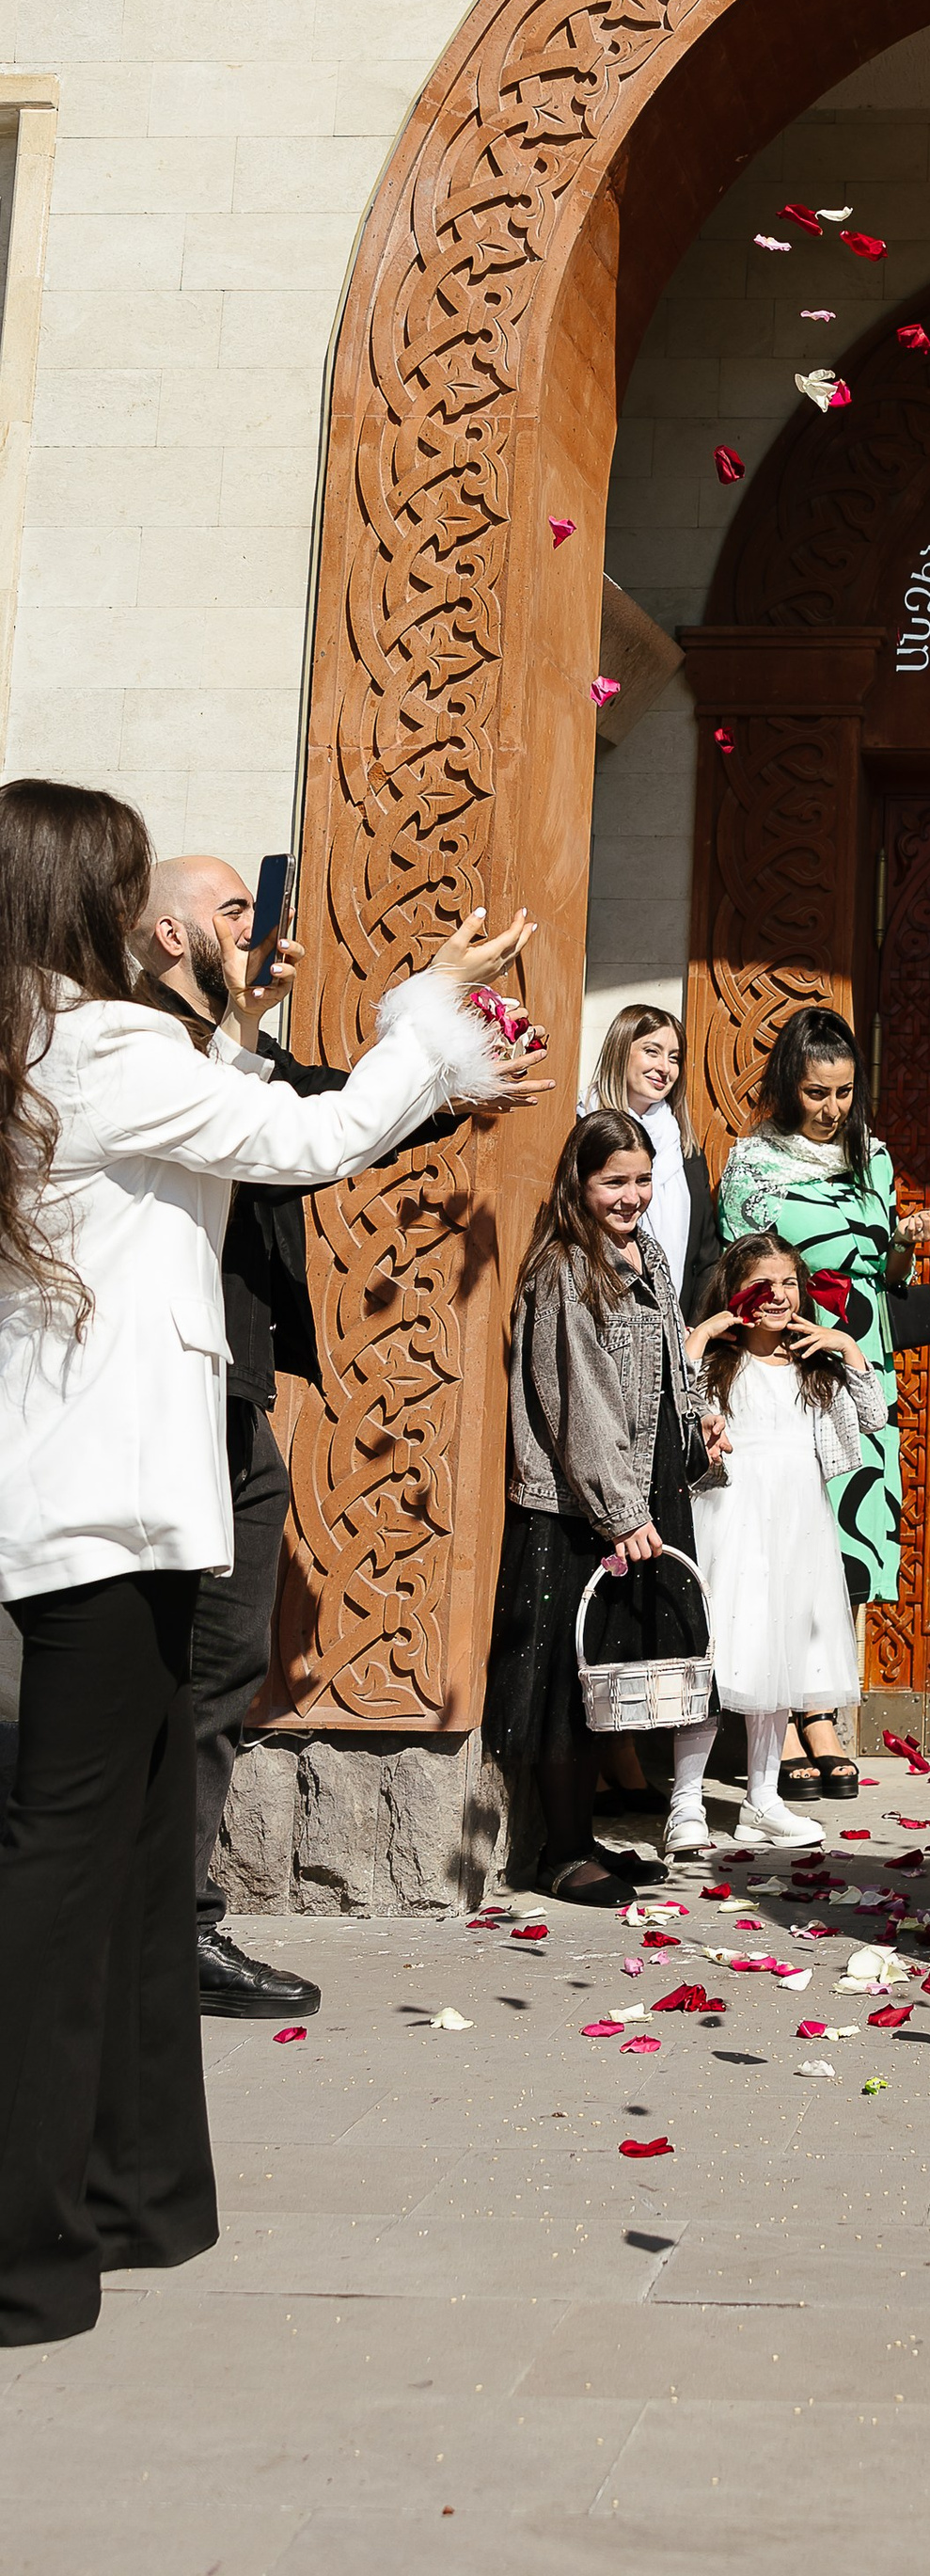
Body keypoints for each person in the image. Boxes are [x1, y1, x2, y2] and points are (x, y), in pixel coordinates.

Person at [0, 777, 527, 2348]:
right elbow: (310, 1137)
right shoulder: (91, 1049)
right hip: (100, 1515)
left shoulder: (72, 1046)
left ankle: (141, 2193)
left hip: (127, 1501)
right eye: (128, 886)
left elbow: (226, 1124)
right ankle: (28, 2242)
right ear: (85, 901)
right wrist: (430, 1014)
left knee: (141, 1839)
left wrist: (351, 1025)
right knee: (69, 1860)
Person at [137, 855, 547, 2023]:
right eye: (229, 911)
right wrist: (428, 1003)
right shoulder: (144, 1052)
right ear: (166, 930)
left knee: (213, 1674)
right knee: (166, 1673)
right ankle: (147, 1925)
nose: (252, 928)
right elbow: (314, 1134)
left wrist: (448, 1093)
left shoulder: (215, 1047)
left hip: (231, 1394)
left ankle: (173, 1921)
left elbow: (322, 1109)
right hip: (177, 1400)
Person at [485, 1111, 729, 1903]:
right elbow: (577, 1402)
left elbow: (670, 1353)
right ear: (579, 1183)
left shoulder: (650, 1255)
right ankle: (559, 1850)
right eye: (612, 1180)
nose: (630, 1196)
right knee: (568, 1674)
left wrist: (701, 1421)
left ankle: (585, 1833)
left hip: (642, 1483)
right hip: (580, 1505)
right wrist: (620, 1508)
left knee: (609, 1672)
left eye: (642, 1179)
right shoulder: (565, 1268)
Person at [718, 1006, 930, 1794]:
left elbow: (887, 1280)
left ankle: (824, 1708)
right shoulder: (753, 1164)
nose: (832, 1108)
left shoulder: (870, 1157)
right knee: (785, 1539)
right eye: (817, 1091)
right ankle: (779, 1713)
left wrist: (906, 1248)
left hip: (856, 1374)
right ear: (789, 1084)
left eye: (845, 1092)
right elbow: (742, 1277)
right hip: (788, 1382)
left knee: (847, 1548)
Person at [663, 1233, 880, 1863]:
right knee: (716, 1654)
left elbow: (873, 1416)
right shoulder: (717, 1363)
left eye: (789, 1282)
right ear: (737, 1292)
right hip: (729, 1515)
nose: (778, 1295)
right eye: (764, 1283)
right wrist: (701, 1335)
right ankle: (685, 1801)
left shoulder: (815, 1365)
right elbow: (670, 1404)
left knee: (779, 1656)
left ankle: (761, 1798)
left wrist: (846, 1344)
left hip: (796, 1522)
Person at [586, 1002, 720, 1318]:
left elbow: (706, 1254)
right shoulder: (584, 1131)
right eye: (652, 1051)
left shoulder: (686, 1149)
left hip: (677, 1329)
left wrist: (693, 1328)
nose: (665, 1067)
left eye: (674, 1058)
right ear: (621, 1050)